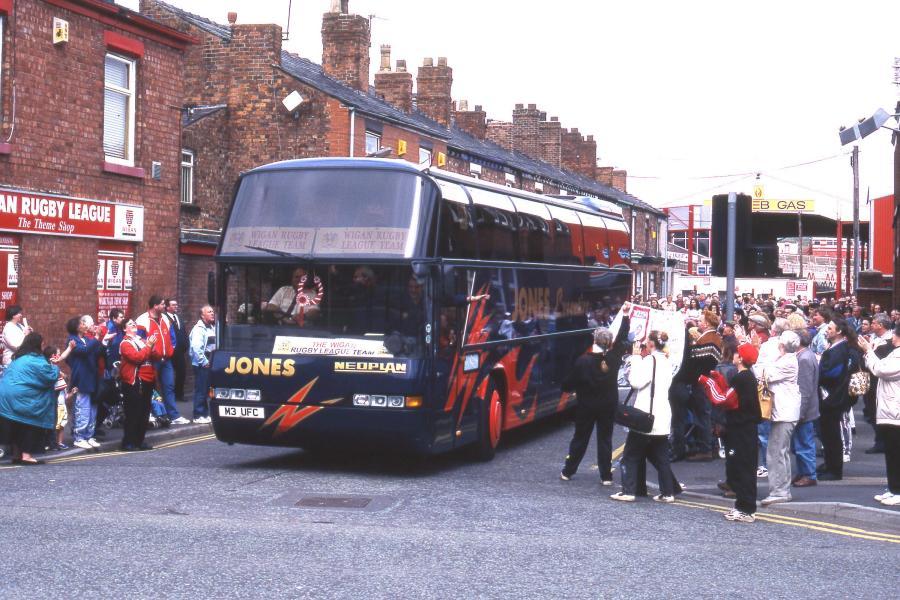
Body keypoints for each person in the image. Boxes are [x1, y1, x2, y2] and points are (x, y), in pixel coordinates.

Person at [560, 302, 632, 484]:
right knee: (605, 440)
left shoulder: (583, 361)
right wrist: (625, 315)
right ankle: (606, 476)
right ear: (609, 343)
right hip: (608, 405)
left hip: (586, 406)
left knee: (580, 439)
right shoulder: (613, 358)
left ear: (595, 340)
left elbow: (568, 384)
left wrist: (568, 388)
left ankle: (568, 471)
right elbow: (623, 337)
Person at [699, 343, 762, 523]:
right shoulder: (745, 376)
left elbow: (722, 399)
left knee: (743, 468)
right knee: (739, 466)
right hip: (743, 429)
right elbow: (731, 394)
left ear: (740, 358)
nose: (734, 355)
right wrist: (718, 379)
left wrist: (707, 382)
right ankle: (741, 505)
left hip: (741, 431)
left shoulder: (742, 378)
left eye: (737, 353)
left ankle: (747, 509)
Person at [611, 331, 676, 503]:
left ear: (652, 344)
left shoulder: (649, 360)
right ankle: (667, 493)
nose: (645, 343)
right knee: (662, 457)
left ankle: (629, 491)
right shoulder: (668, 361)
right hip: (662, 414)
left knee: (630, 455)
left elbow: (635, 381)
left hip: (646, 415)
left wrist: (635, 358)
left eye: (647, 340)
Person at [670, 310, 722, 461]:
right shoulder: (712, 338)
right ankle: (702, 446)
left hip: (700, 383)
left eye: (700, 321)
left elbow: (695, 363)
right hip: (702, 381)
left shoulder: (709, 340)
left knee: (701, 416)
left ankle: (704, 449)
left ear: (706, 323)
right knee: (701, 415)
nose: (698, 323)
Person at [0, 333, 60, 464]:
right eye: (42, 344)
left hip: (5, 395)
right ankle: (26, 456)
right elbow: (50, 377)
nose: (43, 346)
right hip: (23, 396)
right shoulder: (37, 360)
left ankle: (17, 455)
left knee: (16, 424)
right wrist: (55, 367)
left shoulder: (18, 358)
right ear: (37, 345)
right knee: (30, 423)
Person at [858, 324, 900, 506]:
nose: (892, 338)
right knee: (891, 453)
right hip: (890, 410)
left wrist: (868, 351)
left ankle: (897, 491)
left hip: (895, 411)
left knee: (896, 453)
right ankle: (893, 489)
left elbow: (881, 369)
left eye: (894, 335)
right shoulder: (895, 353)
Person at [760, 330, 801, 506]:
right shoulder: (784, 359)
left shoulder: (788, 362)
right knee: (779, 452)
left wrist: (759, 353)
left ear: (782, 346)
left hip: (785, 412)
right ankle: (781, 489)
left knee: (776, 452)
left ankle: (780, 491)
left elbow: (763, 374)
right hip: (783, 411)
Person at [817, 319, 859, 481]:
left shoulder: (839, 349)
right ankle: (829, 464)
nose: (827, 330)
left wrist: (820, 370)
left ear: (839, 331)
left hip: (833, 397)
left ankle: (834, 469)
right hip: (832, 396)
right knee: (828, 433)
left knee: (832, 434)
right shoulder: (837, 348)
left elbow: (833, 373)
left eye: (830, 328)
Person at [137, 295, 188, 425]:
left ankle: (173, 416)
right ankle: (149, 415)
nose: (164, 307)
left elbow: (172, 337)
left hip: (166, 359)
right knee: (149, 389)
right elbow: (138, 339)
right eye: (161, 304)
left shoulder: (165, 318)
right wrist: (151, 351)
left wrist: (171, 349)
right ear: (155, 306)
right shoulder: (142, 320)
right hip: (151, 360)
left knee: (169, 386)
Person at [118, 318, 161, 451]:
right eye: (130, 324)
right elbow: (137, 358)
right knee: (133, 413)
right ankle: (128, 442)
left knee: (144, 413)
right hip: (134, 381)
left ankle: (139, 441)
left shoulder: (142, 340)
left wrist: (152, 347)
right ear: (125, 329)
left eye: (134, 323)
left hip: (148, 380)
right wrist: (148, 346)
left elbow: (157, 356)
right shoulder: (125, 343)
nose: (133, 325)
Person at [67, 315, 103, 450]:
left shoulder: (88, 339)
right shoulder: (72, 340)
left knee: (93, 410)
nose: (84, 325)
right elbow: (85, 351)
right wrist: (97, 338)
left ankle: (89, 435)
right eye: (82, 323)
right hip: (81, 379)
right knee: (83, 409)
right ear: (76, 327)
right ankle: (79, 437)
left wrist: (101, 341)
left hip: (92, 377)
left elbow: (96, 352)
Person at [790, 329, 819, 488]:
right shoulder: (805, 355)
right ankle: (803, 472)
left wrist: (800, 413)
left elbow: (805, 389)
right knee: (799, 443)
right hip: (804, 408)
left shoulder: (804, 359)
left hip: (804, 410)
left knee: (804, 443)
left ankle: (809, 475)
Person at [189, 305, 217, 424]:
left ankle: (204, 414)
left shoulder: (211, 327)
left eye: (212, 311)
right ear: (202, 315)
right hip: (202, 363)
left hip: (210, 362)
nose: (212, 313)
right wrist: (203, 361)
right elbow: (196, 347)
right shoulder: (199, 329)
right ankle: (198, 414)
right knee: (201, 389)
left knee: (205, 389)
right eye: (209, 312)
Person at [164, 299, 189, 404]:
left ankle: (179, 394)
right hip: (171, 351)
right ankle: (169, 396)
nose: (176, 306)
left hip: (181, 350)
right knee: (169, 374)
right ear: (167, 307)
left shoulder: (178, 317)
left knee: (181, 372)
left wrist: (186, 343)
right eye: (173, 305)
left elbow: (183, 331)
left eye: (176, 304)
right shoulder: (164, 317)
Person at [1, 305, 31, 376]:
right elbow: (16, 345)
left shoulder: (19, 325)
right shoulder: (8, 328)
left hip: (21, 361)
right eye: (19, 313)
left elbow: (28, 338)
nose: (21, 315)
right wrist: (26, 335)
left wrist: (30, 332)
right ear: (13, 315)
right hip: (11, 362)